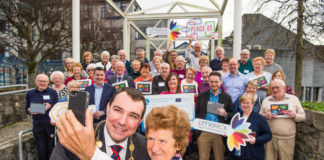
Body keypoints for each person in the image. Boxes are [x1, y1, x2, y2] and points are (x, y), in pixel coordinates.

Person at [50, 88, 150, 160]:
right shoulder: (75, 137)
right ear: (108, 108)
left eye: (133, 116)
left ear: (140, 121)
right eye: (118, 110)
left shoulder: (147, 147)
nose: (122, 122)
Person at [260, 79, 306, 160]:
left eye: (277, 87)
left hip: (287, 139)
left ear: (284, 88)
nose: (274, 90)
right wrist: (265, 116)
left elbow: (303, 117)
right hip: (270, 138)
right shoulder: (266, 100)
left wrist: (295, 115)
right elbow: (259, 118)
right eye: (272, 87)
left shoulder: (293, 99)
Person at [195, 71, 234, 160]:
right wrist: (198, 131)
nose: (214, 84)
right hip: (204, 131)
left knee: (219, 158)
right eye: (211, 82)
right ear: (208, 82)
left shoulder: (227, 97)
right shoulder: (202, 96)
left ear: (220, 82)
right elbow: (197, 112)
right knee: (203, 158)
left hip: (219, 132)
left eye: (216, 82)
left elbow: (232, 114)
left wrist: (225, 113)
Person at [228, 94, 272, 160]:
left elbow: (268, 135)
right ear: (240, 104)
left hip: (253, 154)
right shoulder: (235, 117)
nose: (245, 105)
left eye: (248, 103)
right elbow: (230, 132)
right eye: (243, 103)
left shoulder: (260, 118)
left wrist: (256, 140)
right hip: (237, 154)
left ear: (252, 104)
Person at [26, 74, 58, 160]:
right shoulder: (30, 93)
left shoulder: (53, 92)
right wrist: (29, 110)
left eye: (45, 81)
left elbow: (57, 107)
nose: (43, 83)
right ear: (36, 82)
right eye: (40, 81)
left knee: (51, 146)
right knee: (41, 147)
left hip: (50, 124)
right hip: (38, 124)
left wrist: (50, 106)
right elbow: (26, 109)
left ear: (48, 82)